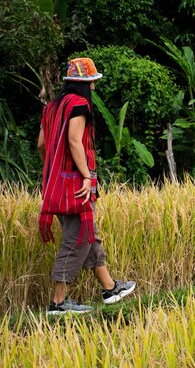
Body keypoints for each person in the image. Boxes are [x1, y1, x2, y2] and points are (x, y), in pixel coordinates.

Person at [37, 57, 135, 315]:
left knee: (88, 233)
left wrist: (53, 171)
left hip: (54, 185)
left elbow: (41, 146)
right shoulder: (79, 105)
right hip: (75, 184)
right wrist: (87, 176)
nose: (94, 87)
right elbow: (74, 141)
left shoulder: (51, 108)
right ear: (85, 83)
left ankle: (110, 288)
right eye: (92, 82)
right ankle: (58, 303)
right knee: (76, 240)